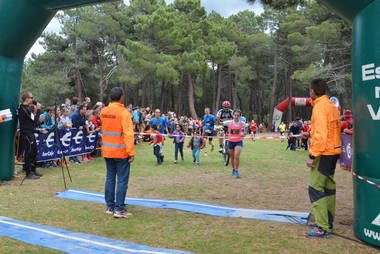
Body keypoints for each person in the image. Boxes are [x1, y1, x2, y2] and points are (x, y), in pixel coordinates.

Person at [305, 78, 342, 238]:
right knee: (328, 187)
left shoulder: (319, 107)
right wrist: (310, 133)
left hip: (324, 153)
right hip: (334, 151)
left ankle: (322, 227)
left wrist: (312, 155)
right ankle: (327, 222)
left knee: (315, 188)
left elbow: (321, 135)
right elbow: (328, 130)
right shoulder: (332, 106)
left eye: (310, 90)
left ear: (313, 91)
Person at [100, 87, 135, 218]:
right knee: (121, 180)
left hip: (107, 151)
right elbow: (128, 134)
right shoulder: (124, 112)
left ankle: (110, 206)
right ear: (121, 97)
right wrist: (131, 152)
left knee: (110, 178)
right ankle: (119, 209)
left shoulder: (103, 111)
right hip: (120, 152)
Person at [18, 92, 47, 179]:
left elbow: (34, 121)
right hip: (26, 134)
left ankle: (33, 170)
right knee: (28, 153)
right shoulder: (23, 108)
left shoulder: (28, 108)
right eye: (31, 97)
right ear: (26, 99)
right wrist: (38, 116)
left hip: (31, 133)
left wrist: (39, 119)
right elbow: (34, 120)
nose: (32, 99)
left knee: (34, 152)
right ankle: (28, 172)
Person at [220, 109, 246, 178]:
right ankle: (233, 169)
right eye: (235, 115)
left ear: (240, 116)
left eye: (238, 115)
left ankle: (237, 171)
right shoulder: (229, 122)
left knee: (237, 156)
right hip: (231, 141)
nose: (236, 117)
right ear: (233, 115)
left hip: (239, 141)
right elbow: (220, 123)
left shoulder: (242, 123)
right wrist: (218, 118)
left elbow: (246, 127)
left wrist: (244, 133)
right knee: (232, 157)